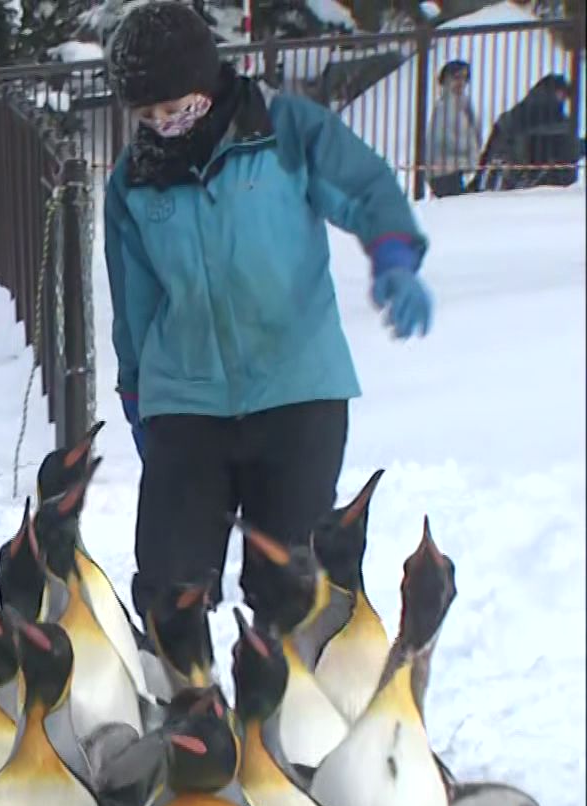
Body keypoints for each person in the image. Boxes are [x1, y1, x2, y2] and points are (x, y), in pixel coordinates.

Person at [102, 1, 433, 622]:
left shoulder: (284, 129)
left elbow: (364, 185)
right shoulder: (133, 182)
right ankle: (183, 713)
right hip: (188, 403)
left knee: (290, 589)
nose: (165, 126)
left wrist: (393, 253)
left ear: (208, 84)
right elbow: (134, 300)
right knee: (170, 590)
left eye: (178, 109)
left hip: (296, 392)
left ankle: (285, 715)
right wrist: (136, 395)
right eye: (149, 117)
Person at [475, 74, 580, 191]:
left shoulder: (521, 110)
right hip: (536, 173)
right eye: (562, 94)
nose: (563, 99)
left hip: (519, 171)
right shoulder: (548, 114)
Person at [425, 60, 482, 198]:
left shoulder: (463, 103)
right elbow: (443, 138)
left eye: (464, 78)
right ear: (446, 81)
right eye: (456, 78)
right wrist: (469, 151)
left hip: (456, 169)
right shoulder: (445, 106)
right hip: (444, 171)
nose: (460, 82)